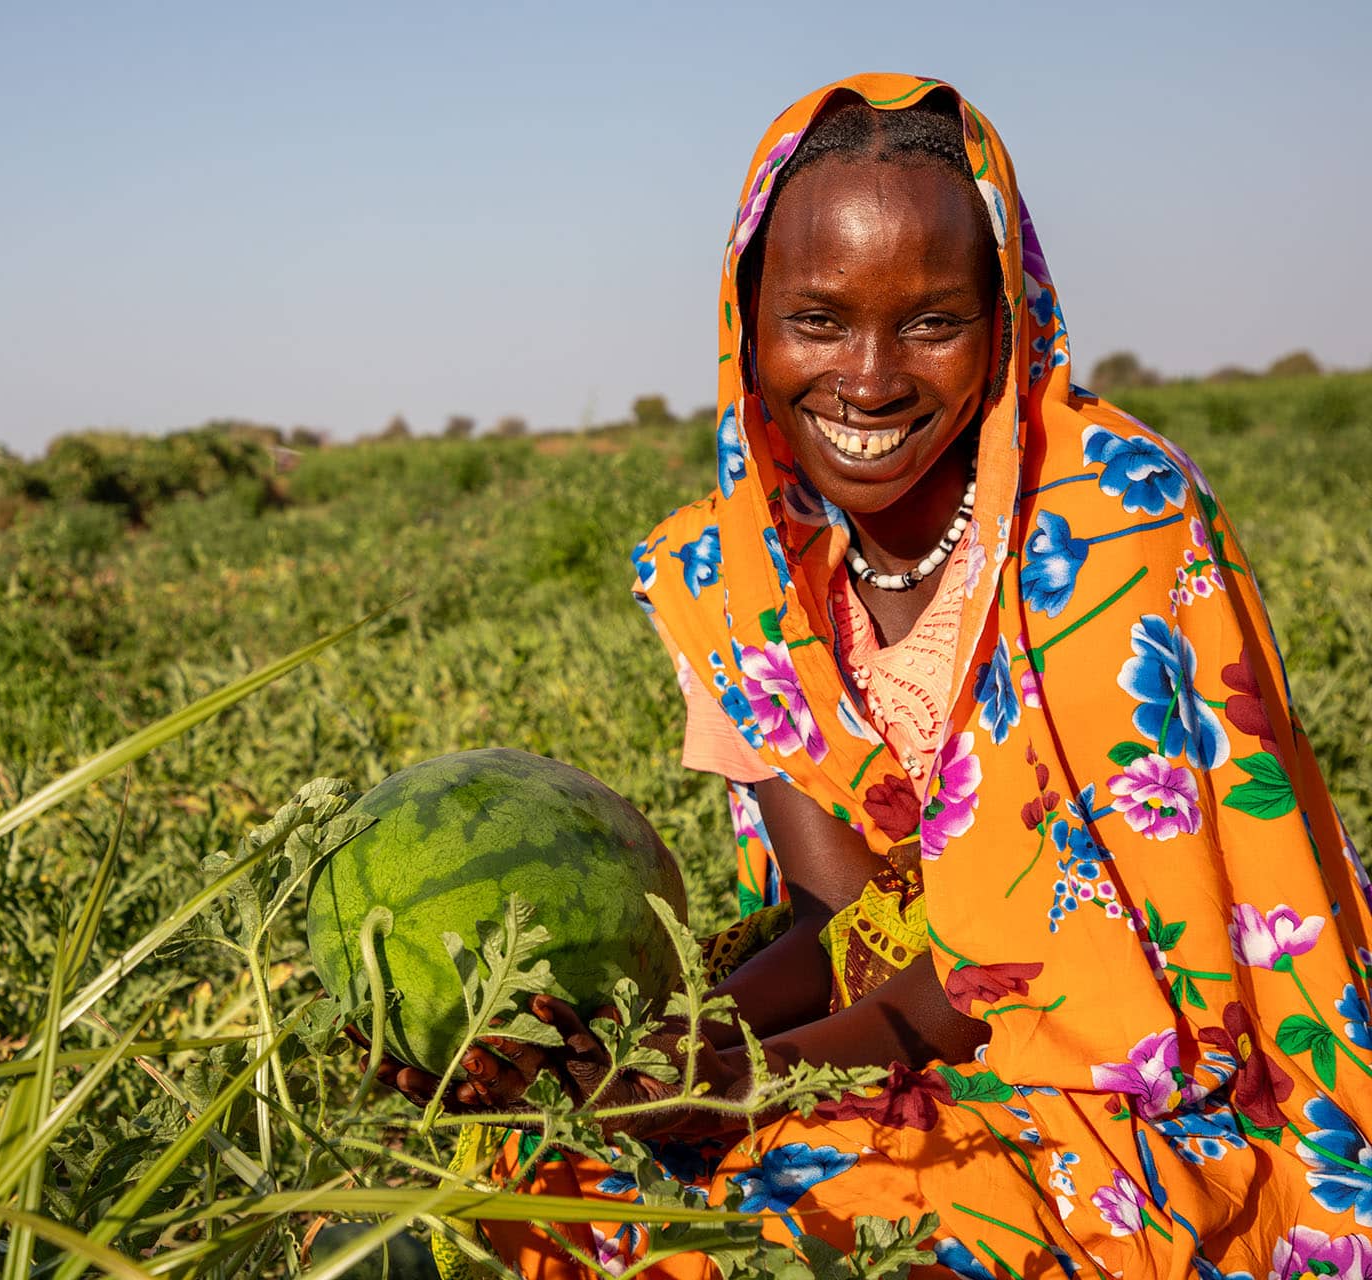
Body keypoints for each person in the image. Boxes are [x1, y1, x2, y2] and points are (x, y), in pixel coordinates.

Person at [370, 73, 1372, 1278]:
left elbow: (1051, 946)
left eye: (933, 321)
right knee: (516, 1184)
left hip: (1156, 1068)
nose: (870, 377)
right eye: (820, 318)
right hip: (892, 1020)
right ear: (749, 320)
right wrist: (652, 1053)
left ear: (1005, 323)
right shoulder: (726, 570)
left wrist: (755, 1078)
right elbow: (846, 913)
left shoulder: (1114, 525)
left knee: (831, 1222)